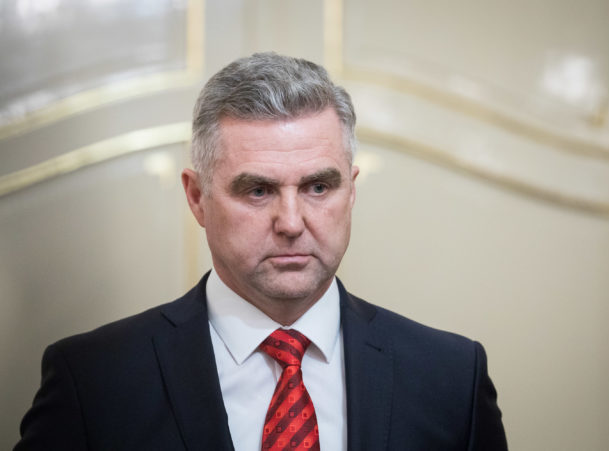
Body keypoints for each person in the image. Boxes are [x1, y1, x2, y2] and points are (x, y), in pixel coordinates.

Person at [15, 52, 508, 451]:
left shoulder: (451, 376)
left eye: (318, 187)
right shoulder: (93, 379)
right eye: (257, 191)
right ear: (197, 197)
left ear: (351, 191)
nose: (291, 223)